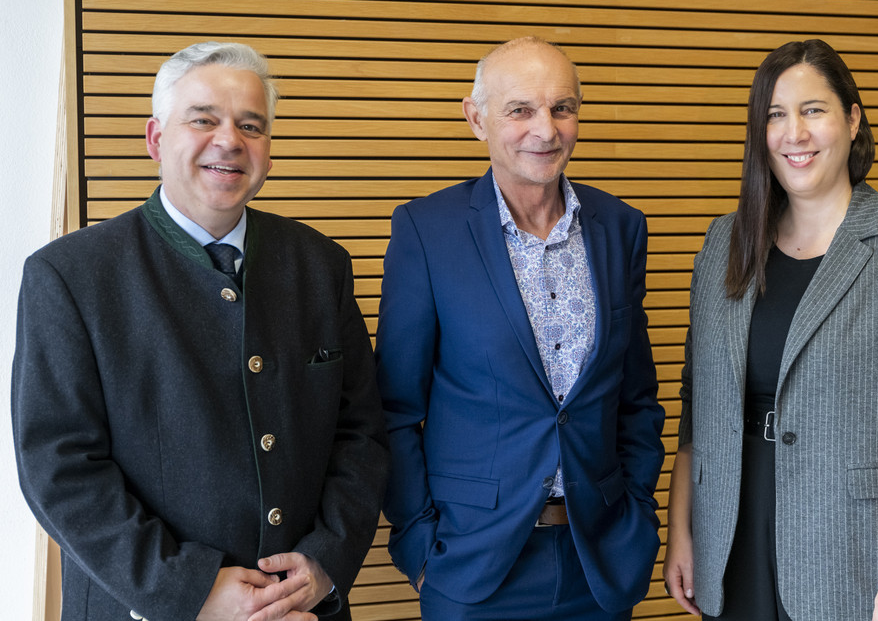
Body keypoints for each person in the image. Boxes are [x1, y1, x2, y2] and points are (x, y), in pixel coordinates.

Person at [11, 41, 389, 621]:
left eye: (251, 125)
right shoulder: (69, 275)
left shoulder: (320, 265)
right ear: (156, 139)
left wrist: (324, 563)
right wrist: (188, 590)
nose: (229, 141)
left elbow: (361, 432)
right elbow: (59, 467)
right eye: (203, 120)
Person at [662, 38, 878, 620]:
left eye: (814, 110)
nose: (794, 134)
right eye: (775, 115)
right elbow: (695, 401)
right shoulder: (723, 244)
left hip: (858, 546)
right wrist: (683, 530)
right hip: (730, 536)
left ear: (853, 120)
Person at [375, 37, 665, 621]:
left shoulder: (620, 228)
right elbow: (396, 409)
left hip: (598, 562)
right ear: (475, 117)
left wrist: (635, 508)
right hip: (474, 567)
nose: (546, 129)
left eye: (563, 107)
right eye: (520, 110)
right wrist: (420, 545)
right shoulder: (427, 231)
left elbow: (636, 397)